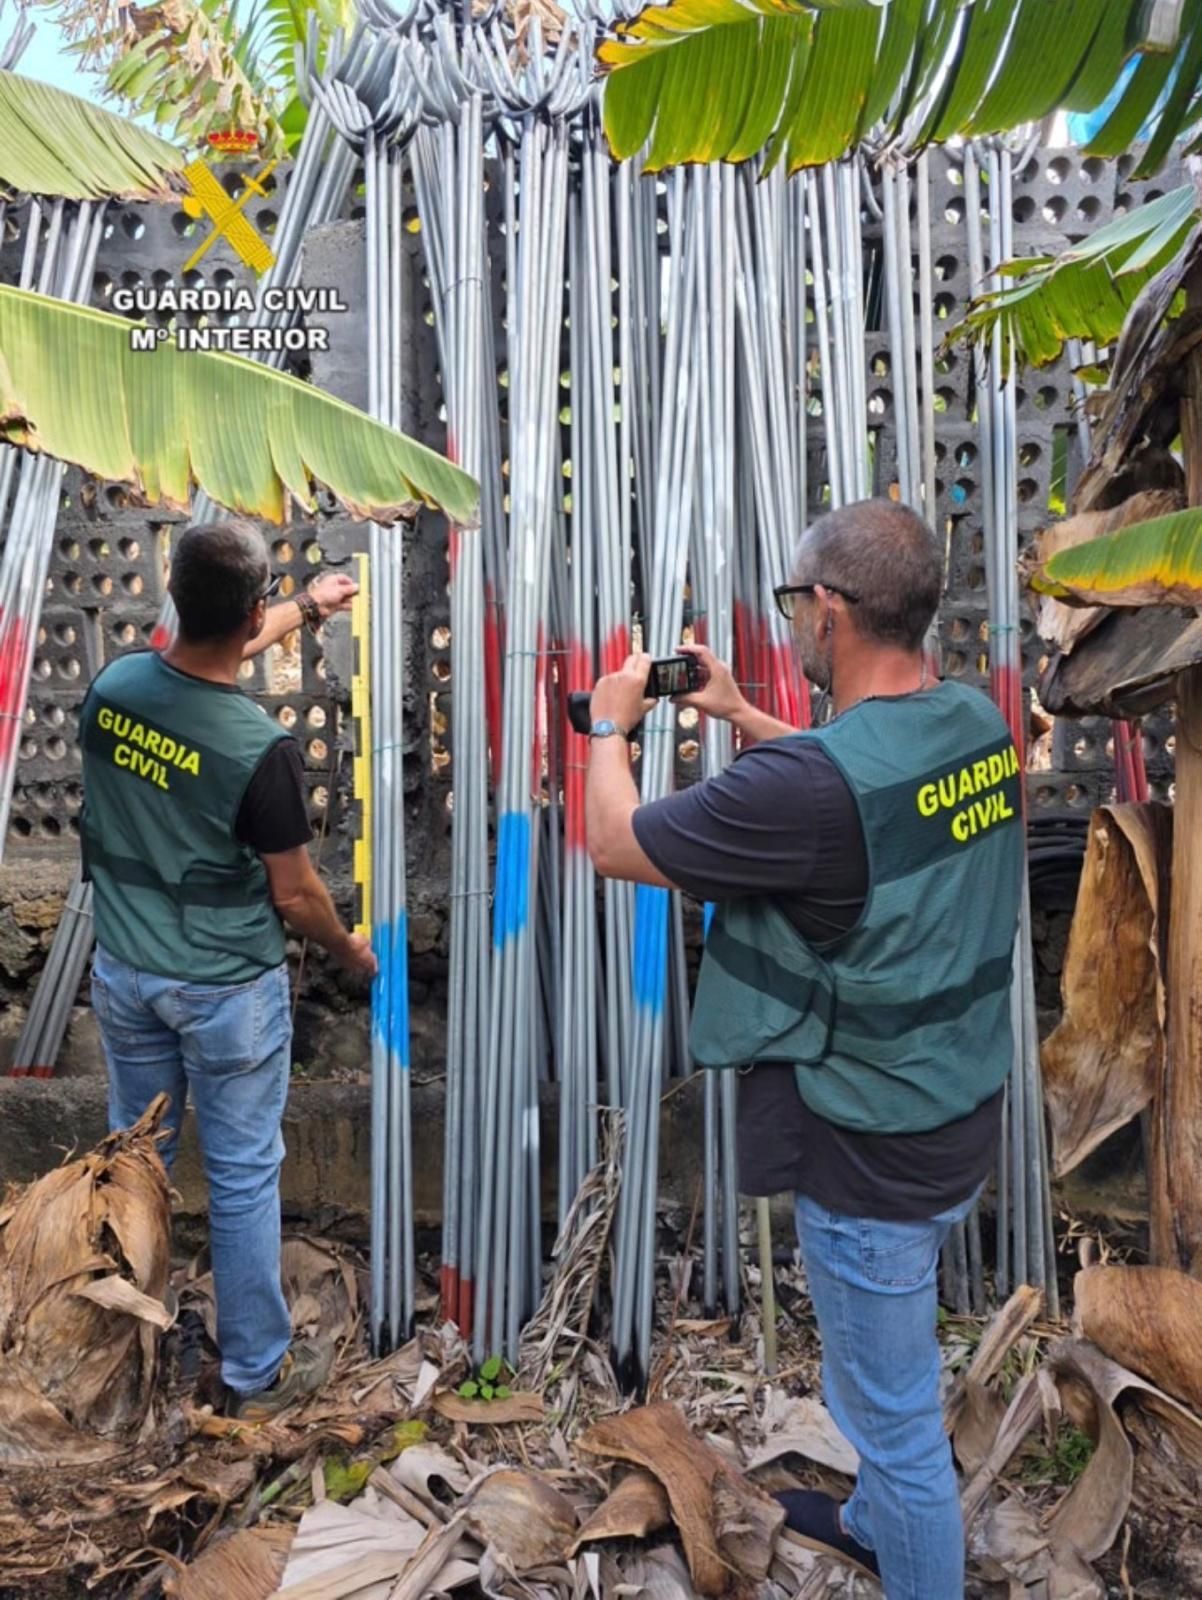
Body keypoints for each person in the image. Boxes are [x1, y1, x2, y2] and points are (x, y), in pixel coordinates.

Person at [584, 499, 1023, 1600]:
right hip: (957, 1106)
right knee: (885, 1385)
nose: (789, 624)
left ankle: (908, 1544)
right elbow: (854, 799)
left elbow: (611, 841)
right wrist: (738, 710)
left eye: (793, 604)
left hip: (868, 1145)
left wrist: (607, 726)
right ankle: (874, 1521)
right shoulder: (973, 720)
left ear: (827, 611)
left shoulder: (807, 790)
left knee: (897, 1423)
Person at [80, 519, 378, 1422]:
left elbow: (203, 653)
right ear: (250, 612)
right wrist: (350, 949)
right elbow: (295, 897)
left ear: (171, 596)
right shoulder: (259, 750)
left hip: (126, 974)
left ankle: (124, 1351)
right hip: (223, 992)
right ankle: (253, 1371)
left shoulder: (114, 688)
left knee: (136, 1165)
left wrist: (304, 605)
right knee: (244, 1177)